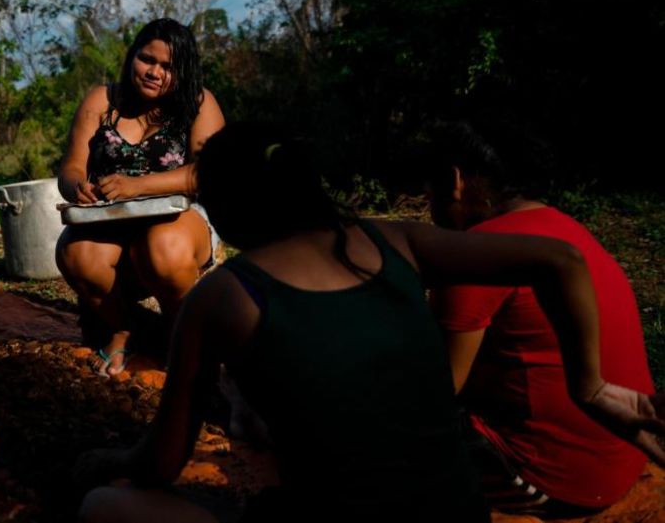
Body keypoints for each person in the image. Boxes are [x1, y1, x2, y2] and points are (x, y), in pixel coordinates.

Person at [74, 123, 665, 522]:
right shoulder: (397, 239)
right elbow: (559, 261)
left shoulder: (222, 297)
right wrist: (589, 387)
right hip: (459, 510)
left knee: (103, 505)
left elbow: (162, 462)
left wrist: (111, 462)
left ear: (224, 208)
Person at [424, 122, 655, 514]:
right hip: (624, 457)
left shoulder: (475, 253)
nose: (427, 201)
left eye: (426, 189)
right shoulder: (568, 231)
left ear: (454, 180)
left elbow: (433, 393)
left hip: (553, 480)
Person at [56, 18, 225, 377]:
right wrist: (77, 188)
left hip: (178, 221)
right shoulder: (102, 100)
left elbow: (209, 172)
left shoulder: (198, 102)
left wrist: (140, 185)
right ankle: (124, 328)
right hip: (110, 223)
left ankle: (184, 336)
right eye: (147, 59)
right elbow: (70, 169)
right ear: (132, 56)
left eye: (168, 67)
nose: (155, 72)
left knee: (162, 248)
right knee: (76, 252)